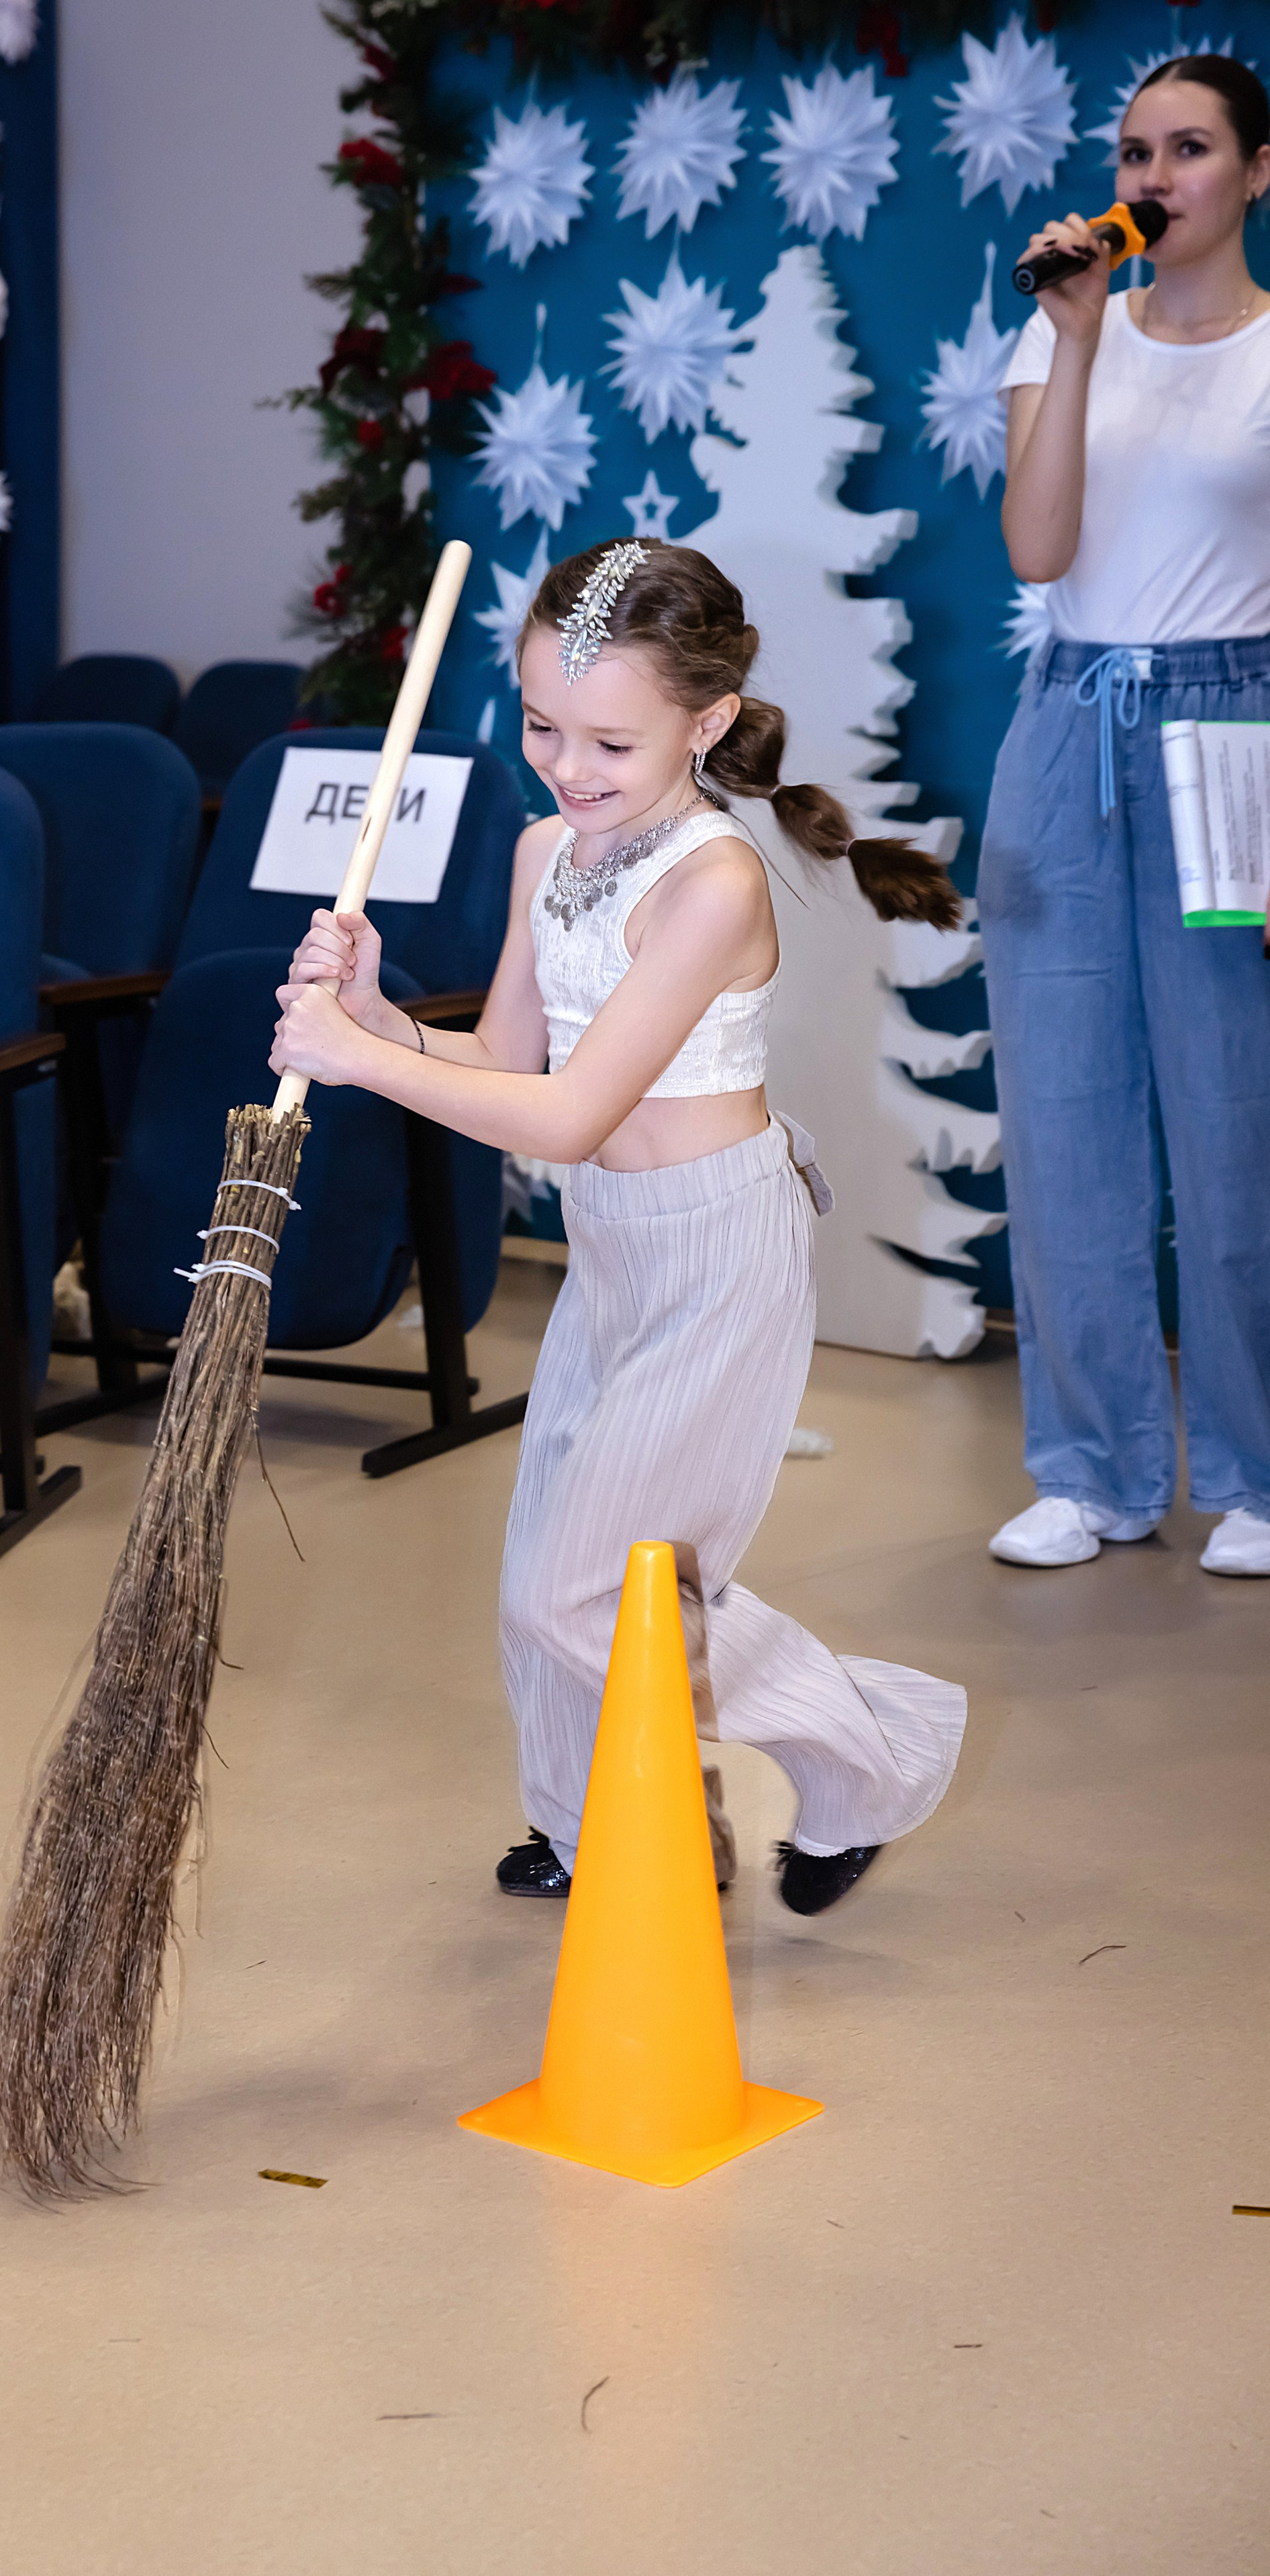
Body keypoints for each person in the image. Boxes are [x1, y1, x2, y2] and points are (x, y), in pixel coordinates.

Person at [271, 538, 968, 1914]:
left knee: (589, 1591)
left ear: (706, 722)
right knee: (543, 1561)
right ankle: (589, 1824)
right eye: (541, 725)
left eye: (609, 740)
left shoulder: (713, 885)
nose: (566, 766)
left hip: (718, 1252)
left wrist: (360, 1064)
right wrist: (379, 1016)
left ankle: (873, 1760)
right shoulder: (546, 848)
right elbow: (507, 1060)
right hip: (611, 1241)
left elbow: (568, 1113)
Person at [984, 54, 1270, 1579]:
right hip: (1066, 725)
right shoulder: (1056, 328)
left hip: (1234, 728)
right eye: (1134, 152)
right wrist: (1079, 337)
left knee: (1234, 1114)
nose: (1155, 178)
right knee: (1062, 1116)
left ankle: (1256, 1471)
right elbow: (1038, 550)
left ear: (1255, 172)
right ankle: (1089, 1468)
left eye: (1190, 148)